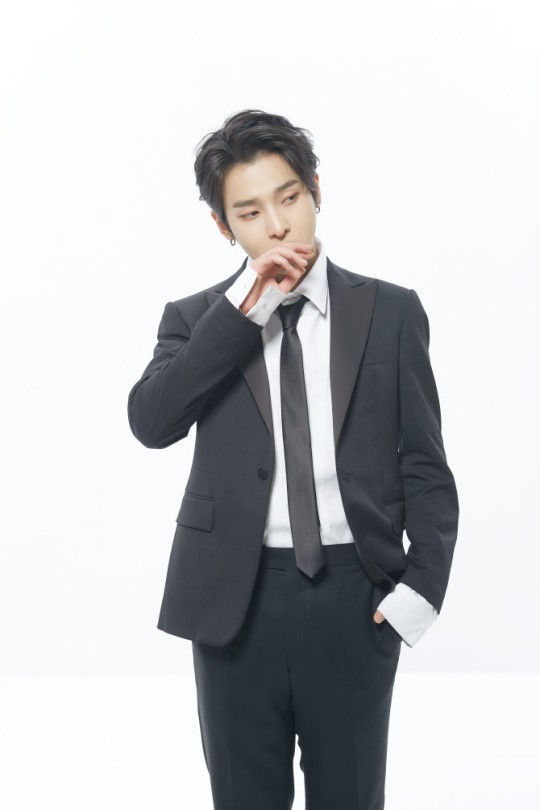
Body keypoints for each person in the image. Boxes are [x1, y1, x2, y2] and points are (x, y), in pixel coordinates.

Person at [127, 109, 459, 810]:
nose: (277, 226)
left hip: (355, 597)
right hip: (234, 603)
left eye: (289, 198)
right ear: (224, 227)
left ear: (316, 191)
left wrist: (420, 591)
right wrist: (240, 312)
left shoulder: (391, 312)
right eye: (250, 213)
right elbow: (152, 423)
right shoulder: (196, 319)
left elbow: (426, 467)